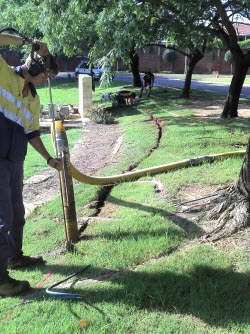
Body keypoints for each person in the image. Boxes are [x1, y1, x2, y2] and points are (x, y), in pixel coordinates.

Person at [0, 34, 63, 297]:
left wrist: (49, 159)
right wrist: (25, 41)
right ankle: (1, 281)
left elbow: (32, 133)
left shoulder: (34, 98)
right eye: (45, 75)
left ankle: (14, 257)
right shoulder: (4, 74)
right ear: (35, 67)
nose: (45, 80)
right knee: (2, 219)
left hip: (15, 160)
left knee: (16, 214)